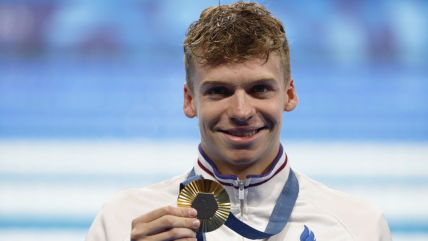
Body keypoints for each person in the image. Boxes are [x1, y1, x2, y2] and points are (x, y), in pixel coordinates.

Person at [86, 1, 392, 240]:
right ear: (190, 100)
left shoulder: (358, 226)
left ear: (289, 94)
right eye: (219, 91)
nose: (242, 112)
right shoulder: (124, 221)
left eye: (260, 89)